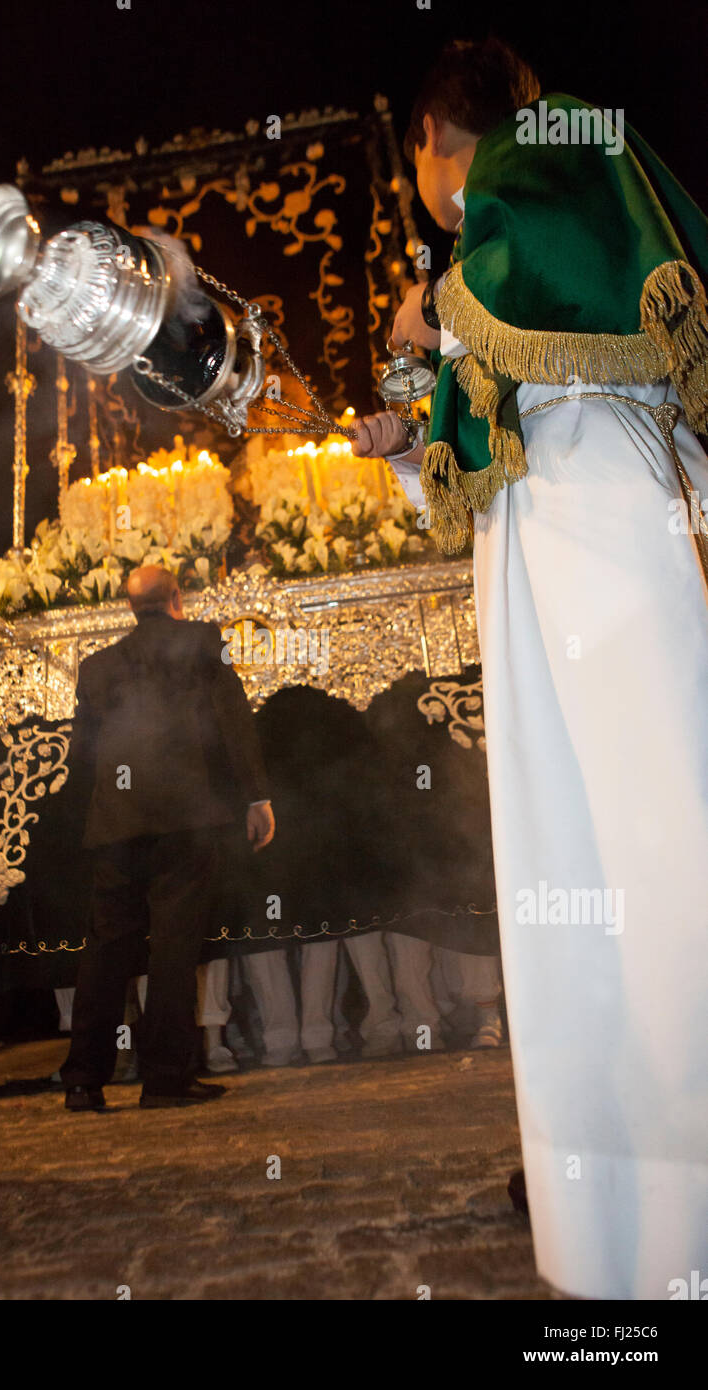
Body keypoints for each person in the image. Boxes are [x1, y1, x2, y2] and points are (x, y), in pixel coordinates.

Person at [353, 37, 708, 1300]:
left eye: (424, 173)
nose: (437, 200)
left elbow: (515, 324)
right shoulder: (543, 191)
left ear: (440, 140)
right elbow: (471, 439)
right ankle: (608, 1193)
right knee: (580, 867)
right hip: (553, 538)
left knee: (640, 857)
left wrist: (429, 313)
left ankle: (668, 1208)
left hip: (602, 537)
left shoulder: (543, 153)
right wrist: (406, 430)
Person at [60, 565, 274, 1111]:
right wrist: (255, 797)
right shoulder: (205, 640)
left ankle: (83, 1080)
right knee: (174, 946)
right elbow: (233, 719)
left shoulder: (97, 666)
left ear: (131, 608)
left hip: (117, 823)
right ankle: (164, 1079)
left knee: (106, 948)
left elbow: (81, 754)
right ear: (177, 599)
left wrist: (99, 814)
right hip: (186, 818)